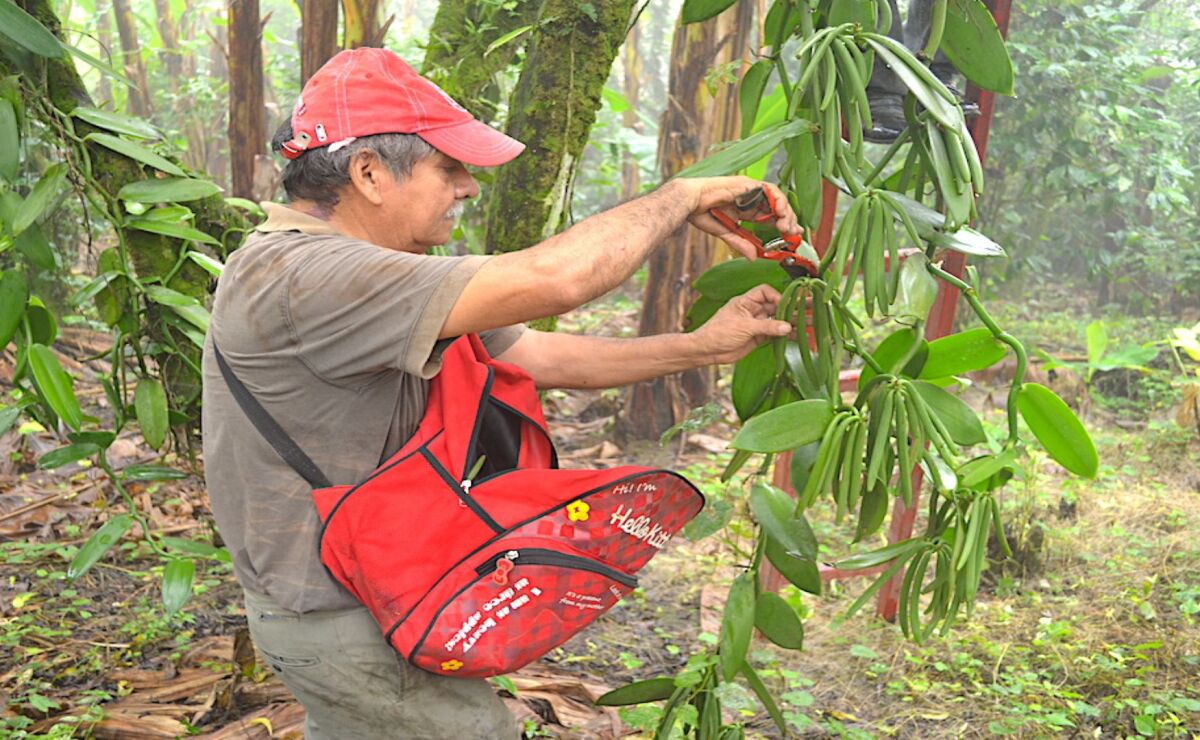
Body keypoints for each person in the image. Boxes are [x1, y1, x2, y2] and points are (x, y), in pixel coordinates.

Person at [201, 47, 799, 739]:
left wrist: (699, 348)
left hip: (370, 593)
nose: (468, 188)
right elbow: (558, 280)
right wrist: (683, 195)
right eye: (447, 168)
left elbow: (538, 353)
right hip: (342, 616)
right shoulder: (306, 276)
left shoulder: (372, 273)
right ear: (368, 173)